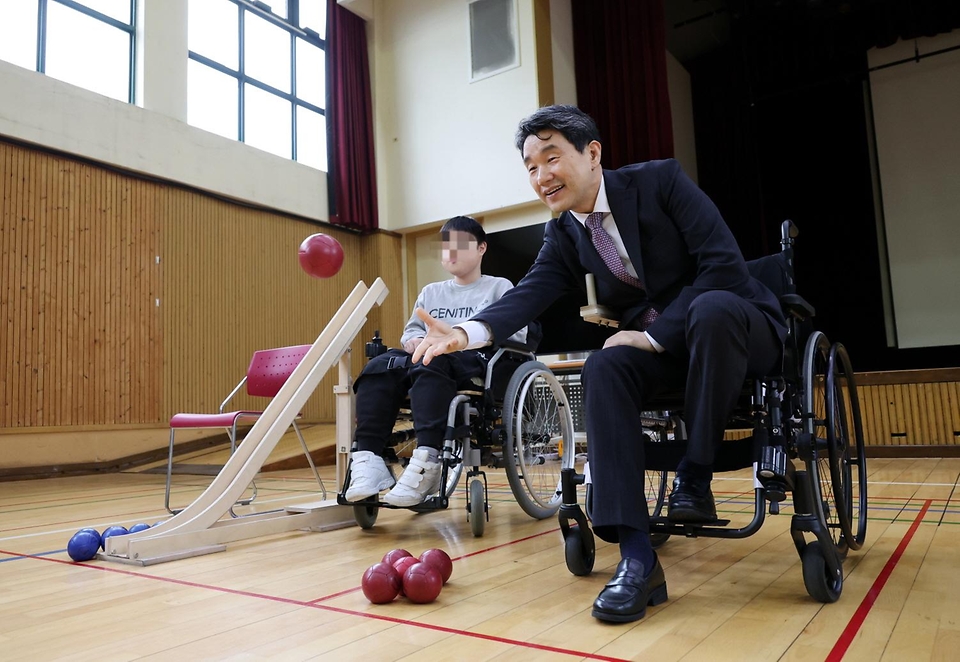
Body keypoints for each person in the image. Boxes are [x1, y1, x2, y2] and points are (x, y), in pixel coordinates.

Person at [411, 105, 787, 623]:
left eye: (551, 157)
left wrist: (652, 335)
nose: (541, 176)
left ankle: (694, 479)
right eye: (530, 167)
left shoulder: (660, 181)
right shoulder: (565, 233)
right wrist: (465, 332)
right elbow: (531, 293)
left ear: (592, 154)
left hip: (740, 332)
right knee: (604, 366)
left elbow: (722, 265)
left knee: (712, 307)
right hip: (673, 353)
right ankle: (636, 557)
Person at [344, 215, 526, 507]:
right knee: (379, 366)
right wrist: (415, 341)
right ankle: (369, 459)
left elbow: (518, 332)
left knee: (433, 361)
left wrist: (462, 338)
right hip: (427, 356)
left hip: (475, 360)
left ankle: (428, 457)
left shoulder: (499, 287)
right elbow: (412, 332)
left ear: (481, 248)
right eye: (445, 247)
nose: (450, 252)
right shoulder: (431, 292)